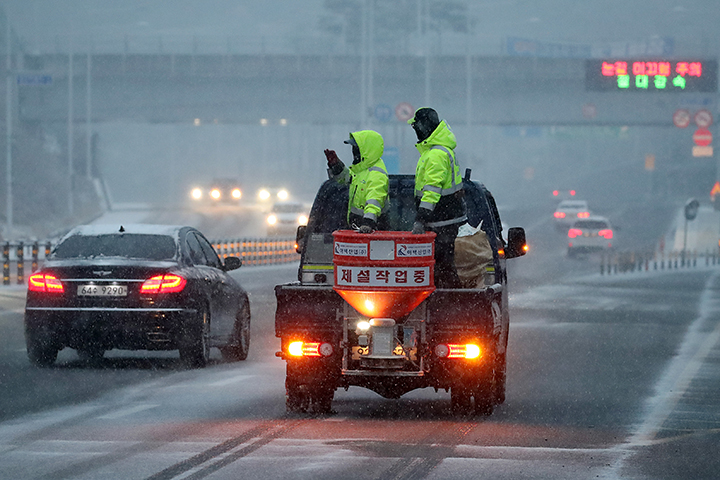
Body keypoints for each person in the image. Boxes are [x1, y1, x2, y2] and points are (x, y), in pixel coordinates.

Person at [408, 107, 466, 288]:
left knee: (442, 269)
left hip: (442, 223)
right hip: (446, 221)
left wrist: (421, 218)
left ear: (425, 127)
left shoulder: (435, 155)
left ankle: (446, 301)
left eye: (417, 126)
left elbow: (432, 190)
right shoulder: (436, 151)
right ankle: (449, 300)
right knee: (445, 268)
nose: (416, 131)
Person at [323, 130, 389, 234]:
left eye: (355, 147)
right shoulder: (361, 171)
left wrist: (368, 222)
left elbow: (375, 199)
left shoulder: (376, 174)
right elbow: (346, 179)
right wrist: (336, 165)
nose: (353, 151)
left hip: (373, 233)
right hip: (360, 230)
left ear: (365, 149)